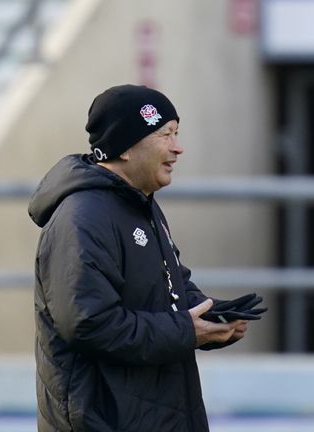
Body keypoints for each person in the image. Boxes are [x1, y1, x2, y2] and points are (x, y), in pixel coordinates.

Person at [28, 84, 263, 431]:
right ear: (125, 146)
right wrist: (187, 330)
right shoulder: (82, 216)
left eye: (177, 133)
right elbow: (89, 324)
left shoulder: (139, 205)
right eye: (166, 134)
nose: (178, 147)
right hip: (104, 420)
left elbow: (170, 287)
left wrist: (212, 315)